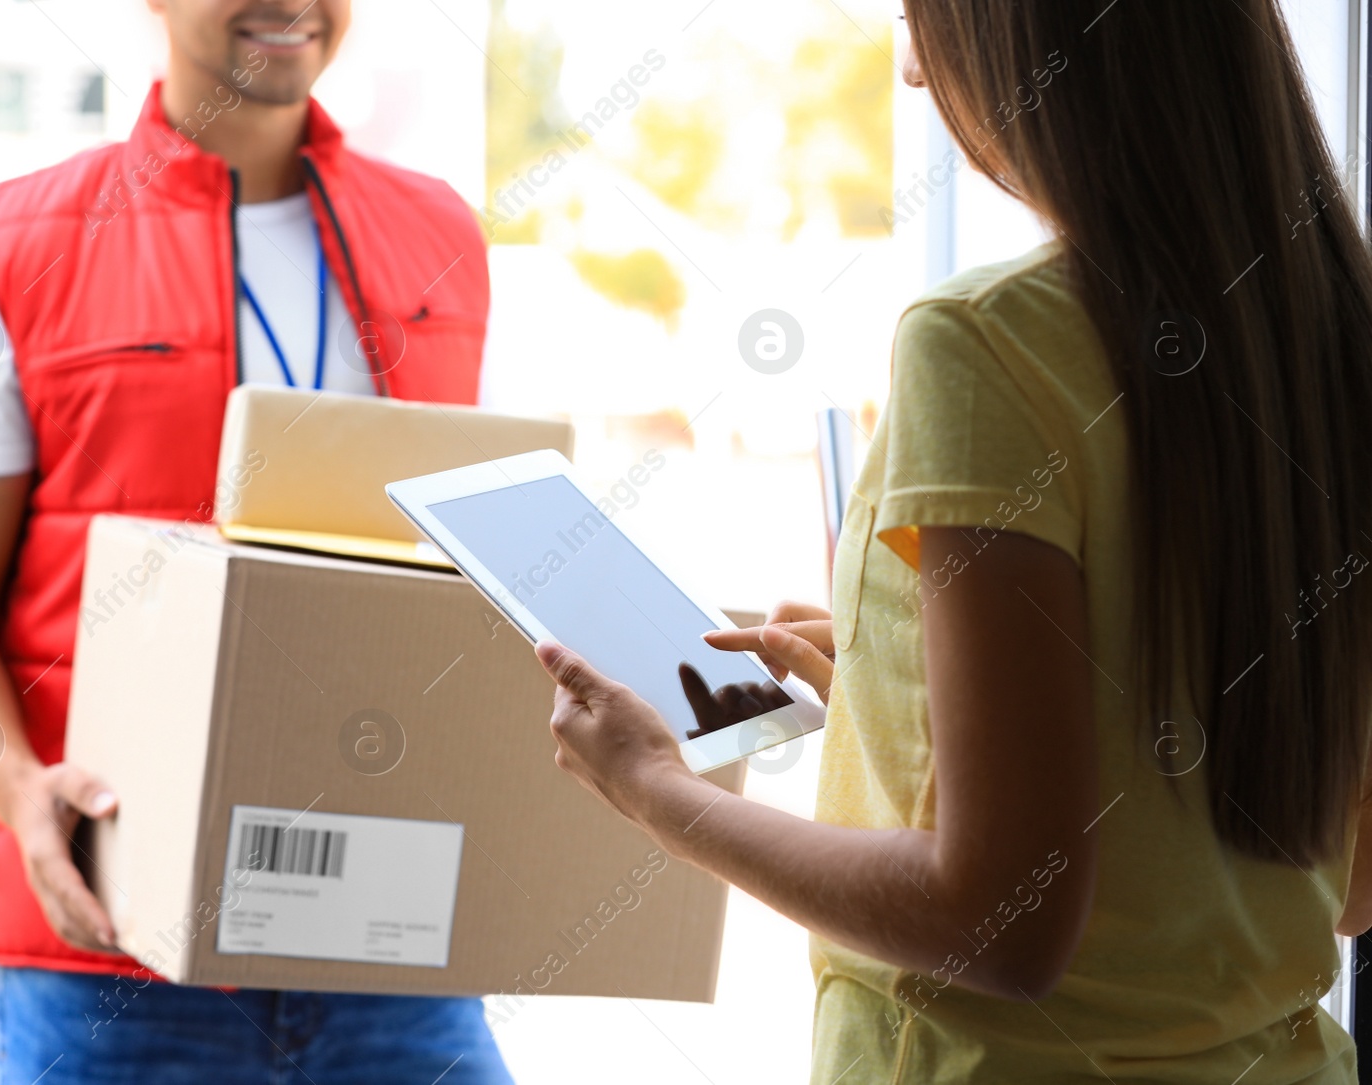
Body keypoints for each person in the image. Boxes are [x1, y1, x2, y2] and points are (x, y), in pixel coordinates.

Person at [534, 2, 1372, 1082]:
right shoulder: (1332, 336)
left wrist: (660, 790)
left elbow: (1000, 924)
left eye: (925, 21)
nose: (916, 73)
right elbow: (1340, 882)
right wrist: (906, 703)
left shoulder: (979, 342)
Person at [0, 2, 508, 1082]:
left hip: (391, 947)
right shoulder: (10, 251)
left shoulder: (441, 236)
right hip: (109, 959)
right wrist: (20, 789)